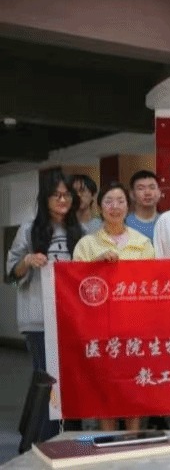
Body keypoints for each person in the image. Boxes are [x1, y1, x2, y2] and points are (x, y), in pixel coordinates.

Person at [5, 168, 85, 442]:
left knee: (69, 380)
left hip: (70, 320)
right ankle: (40, 441)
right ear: (45, 199)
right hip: (38, 318)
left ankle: (66, 438)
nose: (62, 200)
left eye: (67, 195)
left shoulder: (78, 230)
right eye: (56, 195)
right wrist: (27, 261)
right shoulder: (29, 229)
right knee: (48, 379)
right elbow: (10, 274)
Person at [72, 182, 154, 432]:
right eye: (108, 201)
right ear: (99, 208)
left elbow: (153, 284)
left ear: (128, 206)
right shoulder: (86, 244)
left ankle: (132, 437)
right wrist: (94, 266)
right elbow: (73, 286)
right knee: (104, 385)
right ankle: (107, 438)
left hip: (134, 327)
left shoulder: (143, 243)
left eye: (120, 201)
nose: (114, 206)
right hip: (100, 329)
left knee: (133, 384)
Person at [125, 170, 161, 241]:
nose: (147, 192)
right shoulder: (124, 223)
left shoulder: (166, 221)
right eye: (141, 188)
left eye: (152, 187)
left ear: (159, 192)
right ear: (132, 194)